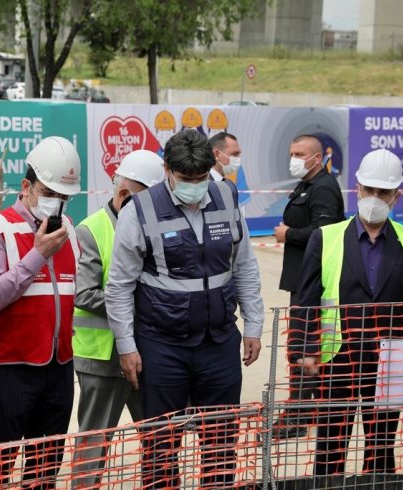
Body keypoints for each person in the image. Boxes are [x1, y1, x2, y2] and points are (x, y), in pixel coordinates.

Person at [105, 130, 263, 488]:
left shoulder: (226, 197)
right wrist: (126, 347)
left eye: (202, 178)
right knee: (161, 446)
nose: (195, 186)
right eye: (187, 179)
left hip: (219, 342)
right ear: (167, 171)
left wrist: (253, 324)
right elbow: (119, 286)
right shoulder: (140, 212)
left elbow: (244, 266)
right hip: (161, 346)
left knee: (221, 443)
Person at [290, 148, 403, 476]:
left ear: (396, 195)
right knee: (331, 443)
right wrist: (304, 350)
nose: (374, 197)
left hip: (391, 361)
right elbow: (306, 300)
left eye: (383, 192)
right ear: (357, 187)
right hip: (336, 357)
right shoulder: (325, 237)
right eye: (369, 189)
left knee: (381, 444)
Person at [0, 136, 81, 489]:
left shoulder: (69, 230)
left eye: (65, 196)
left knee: (45, 471)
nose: (57, 203)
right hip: (8, 369)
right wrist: (38, 255)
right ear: (26, 186)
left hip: (59, 366)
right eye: (49, 192)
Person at [71, 149, 164, 488]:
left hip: (147, 353)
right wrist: (139, 306)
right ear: (124, 194)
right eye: (148, 199)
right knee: (94, 444)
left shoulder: (150, 224)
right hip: (103, 359)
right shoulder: (91, 230)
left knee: (159, 439)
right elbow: (83, 294)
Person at [273, 134, 345, 439]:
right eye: (292, 153)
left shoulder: (325, 189)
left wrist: (289, 234)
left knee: (305, 346)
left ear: (317, 157)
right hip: (301, 278)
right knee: (300, 346)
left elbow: (324, 232)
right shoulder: (307, 184)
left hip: (314, 280)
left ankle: (300, 414)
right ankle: (302, 407)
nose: (294, 159)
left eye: (300, 153)